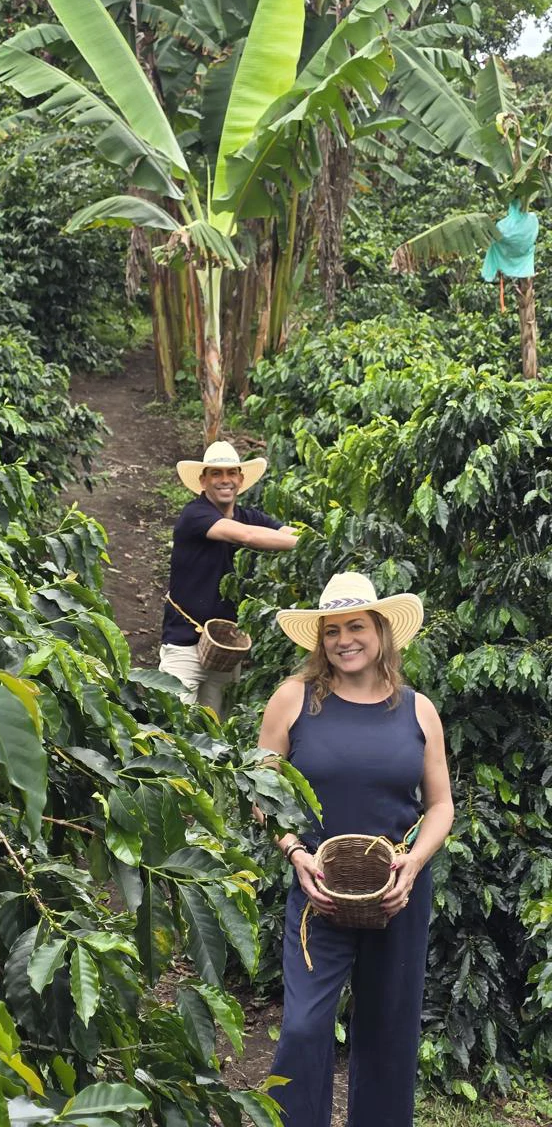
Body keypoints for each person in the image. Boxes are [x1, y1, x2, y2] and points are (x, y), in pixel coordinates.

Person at [259, 571, 454, 1127]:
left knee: (389, 1032)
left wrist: (413, 865)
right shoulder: (293, 700)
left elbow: (440, 806)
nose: (345, 639)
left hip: (398, 893)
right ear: (319, 640)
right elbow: (263, 794)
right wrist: (298, 855)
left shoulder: (419, 711)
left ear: (381, 631)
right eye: (332, 631)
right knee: (302, 1029)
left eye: (357, 626)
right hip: (319, 889)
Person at [159, 440, 297, 713]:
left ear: (240, 479)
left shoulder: (250, 516)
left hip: (226, 649)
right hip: (184, 645)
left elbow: (284, 531)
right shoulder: (195, 514)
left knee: (215, 734)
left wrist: (320, 541)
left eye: (231, 473)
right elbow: (246, 535)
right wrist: (303, 545)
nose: (225, 480)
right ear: (203, 480)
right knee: (173, 731)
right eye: (216, 474)